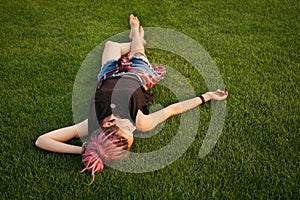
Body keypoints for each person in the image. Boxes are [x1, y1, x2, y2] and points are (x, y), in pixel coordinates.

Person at [35, 14, 228, 183]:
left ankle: (136, 41)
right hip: (139, 74)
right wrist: (207, 96)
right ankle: (136, 36)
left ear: (108, 127)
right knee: (137, 51)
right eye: (131, 137)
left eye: (127, 132)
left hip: (108, 74)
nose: (133, 130)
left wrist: (85, 150)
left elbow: (42, 140)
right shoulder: (142, 122)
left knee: (110, 45)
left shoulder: (93, 122)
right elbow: (172, 109)